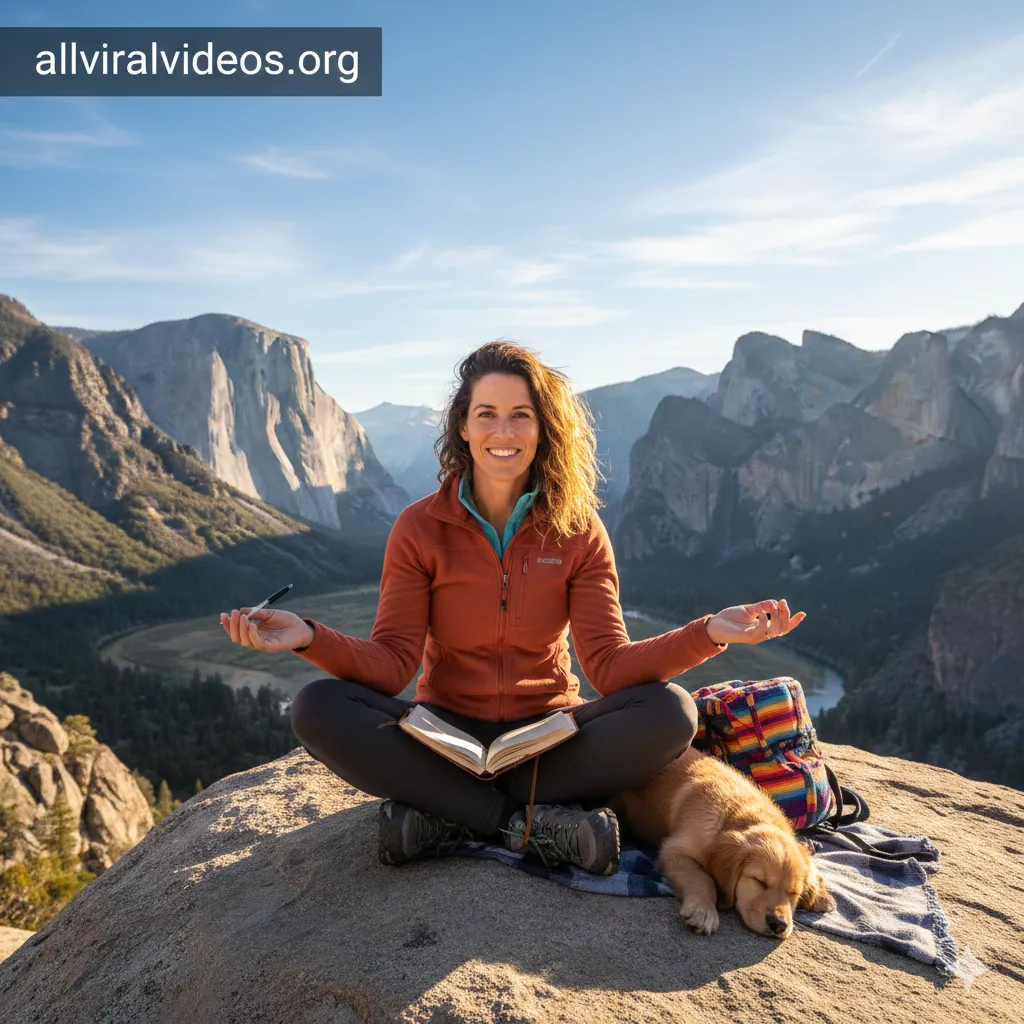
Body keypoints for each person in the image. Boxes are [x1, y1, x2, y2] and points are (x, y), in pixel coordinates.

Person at [219, 341, 805, 876]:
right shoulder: (419, 528)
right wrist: (306, 637)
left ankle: (449, 815)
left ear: (543, 428)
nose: (505, 430)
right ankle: (524, 825)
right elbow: (394, 664)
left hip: (548, 741)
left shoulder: (578, 530)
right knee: (317, 705)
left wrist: (710, 632)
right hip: (444, 736)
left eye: (521, 414)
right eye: (487, 414)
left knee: (673, 712)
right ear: (464, 428)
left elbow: (607, 665)